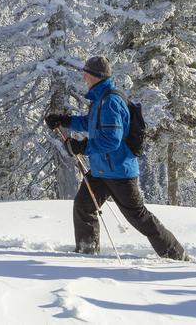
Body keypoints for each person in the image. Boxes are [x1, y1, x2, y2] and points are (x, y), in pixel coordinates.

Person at [45, 55, 188, 260]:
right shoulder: (100, 98)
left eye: (86, 73)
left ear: (96, 76)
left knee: (139, 217)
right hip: (102, 169)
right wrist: (65, 121)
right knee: (84, 206)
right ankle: (87, 253)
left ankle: (176, 255)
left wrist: (81, 146)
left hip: (119, 171)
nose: (83, 76)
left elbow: (112, 140)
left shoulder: (110, 101)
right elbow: (90, 123)